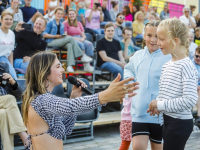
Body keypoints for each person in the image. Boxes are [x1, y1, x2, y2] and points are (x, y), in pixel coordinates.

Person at [22, 51, 139, 150]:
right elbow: (71, 107)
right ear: (44, 72)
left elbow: (65, 129)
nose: (62, 70)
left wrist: (74, 97)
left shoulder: (43, 98)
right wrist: (105, 95)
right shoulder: (41, 100)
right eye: (58, 67)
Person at [148, 18, 198, 150]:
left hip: (180, 123)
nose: (157, 43)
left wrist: (160, 104)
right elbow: (166, 92)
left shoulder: (186, 66)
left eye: (161, 39)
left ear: (176, 41)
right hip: (168, 119)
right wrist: (159, 104)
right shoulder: (166, 66)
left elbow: (190, 100)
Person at [124, 20, 171, 150]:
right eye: (149, 35)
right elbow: (128, 69)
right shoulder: (137, 56)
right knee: (138, 147)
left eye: (157, 36)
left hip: (159, 115)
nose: (153, 40)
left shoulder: (168, 57)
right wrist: (129, 80)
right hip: (139, 112)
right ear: (144, 35)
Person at [43, 7, 92, 73]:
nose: (59, 15)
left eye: (61, 14)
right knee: (70, 38)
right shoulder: (50, 22)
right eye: (58, 13)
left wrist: (60, 36)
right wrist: (55, 36)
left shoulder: (61, 24)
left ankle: (69, 66)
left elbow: (62, 35)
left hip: (59, 41)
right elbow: (44, 34)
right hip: (50, 42)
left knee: (69, 45)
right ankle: (82, 56)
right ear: (55, 14)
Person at [0, 71, 28, 150]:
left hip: (4, 106)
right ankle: (24, 137)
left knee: (3, 113)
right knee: (9, 98)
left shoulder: (3, 69)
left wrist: (12, 82)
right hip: (7, 100)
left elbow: (20, 95)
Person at [0, 11, 17, 79]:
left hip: (5, 60)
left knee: (13, 78)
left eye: (10, 19)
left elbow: (10, 53)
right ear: (1, 20)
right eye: (6, 19)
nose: (8, 21)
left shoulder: (12, 34)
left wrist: (11, 68)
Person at [192, 47, 200, 127]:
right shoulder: (190, 64)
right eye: (196, 56)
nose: (198, 58)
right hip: (193, 88)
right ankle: (198, 115)